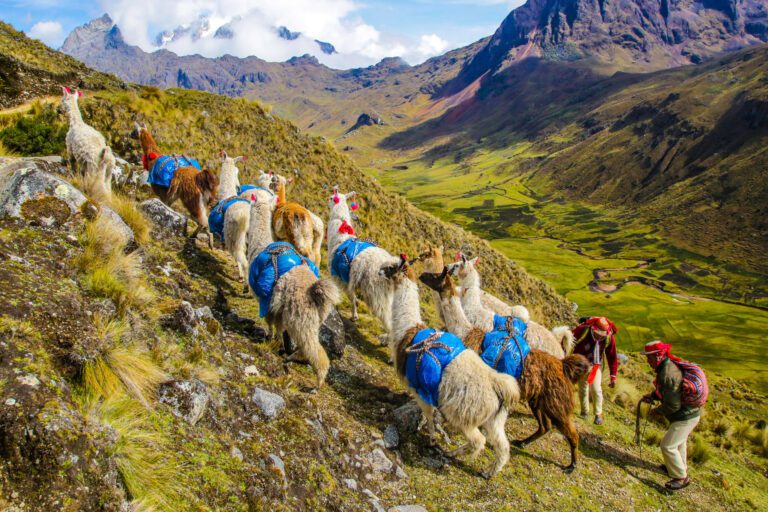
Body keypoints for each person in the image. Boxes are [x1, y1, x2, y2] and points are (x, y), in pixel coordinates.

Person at [640, 340, 702, 491]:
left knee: (667, 446)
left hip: (685, 417)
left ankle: (681, 477)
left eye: (649, 357)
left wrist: (656, 412)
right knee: (679, 443)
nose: (647, 361)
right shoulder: (667, 366)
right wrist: (654, 396)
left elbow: (673, 404)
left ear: (658, 356)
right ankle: (675, 467)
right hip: (690, 414)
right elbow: (669, 391)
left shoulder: (667, 373)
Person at [572, 316, 618, 425]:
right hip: (580, 364)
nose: (599, 335)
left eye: (602, 334)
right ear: (593, 328)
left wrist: (613, 376)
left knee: (596, 389)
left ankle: (598, 414)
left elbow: (612, 356)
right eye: (598, 333)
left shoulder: (609, 338)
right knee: (583, 389)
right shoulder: (582, 330)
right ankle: (584, 412)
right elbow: (568, 339)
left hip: (595, 366)